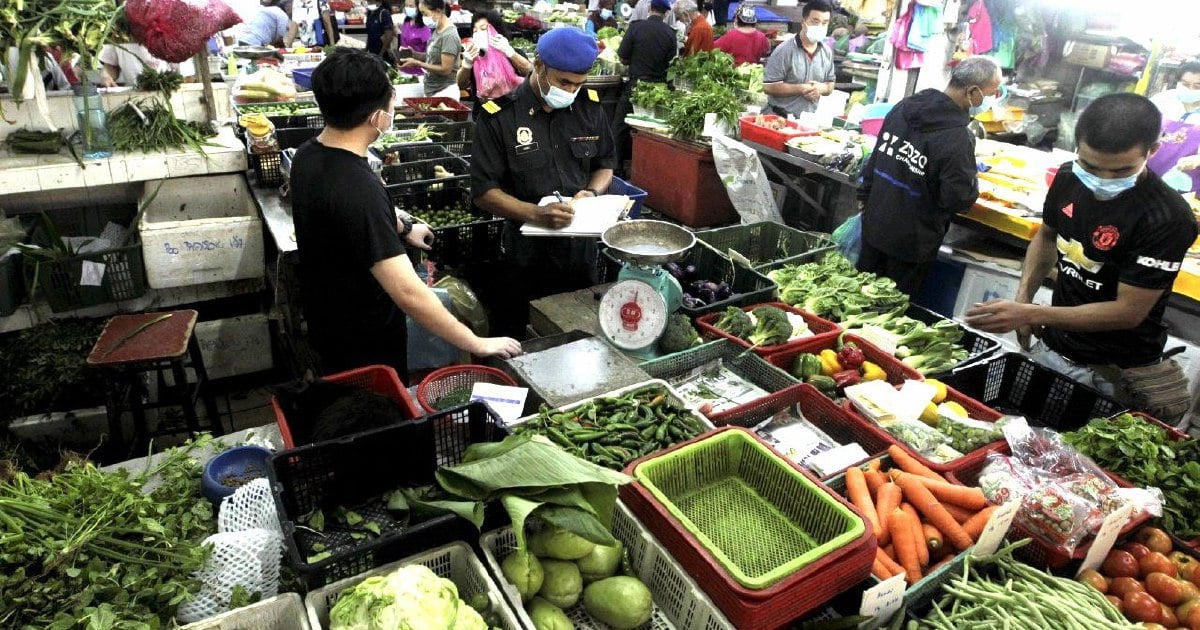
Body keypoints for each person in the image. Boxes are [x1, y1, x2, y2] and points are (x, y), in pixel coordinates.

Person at [965, 93, 1198, 425]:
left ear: (1153, 151)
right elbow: (1046, 235)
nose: (1102, 179)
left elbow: (1127, 311)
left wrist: (1030, 311)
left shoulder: (1166, 218)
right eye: (1090, 165)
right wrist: (1024, 298)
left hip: (1111, 372)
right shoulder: (1069, 176)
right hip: (1054, 346)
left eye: (1121, 170)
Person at [291, 48, 521, 375]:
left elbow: (349, 216)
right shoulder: (357, 187)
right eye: (391, 100)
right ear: (377, 117)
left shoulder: (308, 156)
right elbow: (408, 292)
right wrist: (476, 342)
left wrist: (402, 223)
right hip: (363, 340)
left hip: (326, 317)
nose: (394, 107)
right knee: (377, 410)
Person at [471, 27, 617, 339]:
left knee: (580, 331)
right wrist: (537, 214)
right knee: (523, 334)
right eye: (564, 82)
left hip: (580, 252)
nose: (571, 90)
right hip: (525, 255)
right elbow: (484, 192)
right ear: (538, 64)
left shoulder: (589, 107)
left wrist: (591, 192)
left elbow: (606, 164)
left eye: (579, 83)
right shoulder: (499, 116)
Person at [856, 56, 1001, 296]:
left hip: (874, 226)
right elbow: (957, 200)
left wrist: (864, 196)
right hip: (911, 244)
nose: (992, 101)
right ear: (973, 92)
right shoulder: (958, 137)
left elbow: (875, 160)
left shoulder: (904, 107)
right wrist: (971, 177)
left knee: (857, 298)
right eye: (992, 94)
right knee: (887, 314)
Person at [613, 0, 677, 170]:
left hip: (636, 86)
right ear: (666, 13)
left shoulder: (635, 27)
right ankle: (650, 170)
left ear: (649, 8)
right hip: (659, 90)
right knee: (653, 132)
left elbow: (622, 57)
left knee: (619, 127)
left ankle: (616, 169)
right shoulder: (671, 34)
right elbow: (672, 65)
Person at [763, 0, 834, 117]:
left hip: (808, 120)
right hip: (779, 117)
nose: (820, 26)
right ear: (803, 22)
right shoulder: (784, 50)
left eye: (824, 23)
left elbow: (830, 83)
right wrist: (803, 88)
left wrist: (821, 88)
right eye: (815, 22)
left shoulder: (827, 52)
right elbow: (769, 86)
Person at [457, 12, 532, 113]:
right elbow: (460, 84)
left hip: (513, 114)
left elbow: (530, 72)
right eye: (475, 31)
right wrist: (467, 64)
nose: (478, 34)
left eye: (483, 29)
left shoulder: (513, 52)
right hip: (484, 114)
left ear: (497, 30)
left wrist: (510, 52)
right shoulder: (475, 57)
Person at [1148, 61, 1200, 194]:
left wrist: (1197, 160)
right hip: (1149, 170)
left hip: (1185, 182)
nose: (1190, 89)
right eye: (1185, 84)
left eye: (1197, 86)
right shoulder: (1163, 100)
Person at [399, 0, 460, 97]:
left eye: (424, 13)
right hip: (431, 90)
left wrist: (418, 63)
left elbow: (446, 69)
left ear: (438, 11)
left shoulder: (449, 35)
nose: (423, 17)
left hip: (444, 91)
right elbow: (431, 57)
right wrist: (415, 54)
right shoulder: (437, 30)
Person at [98, 43, 196, 87]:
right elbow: (111, 65)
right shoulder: (119, 34)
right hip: (131, 98)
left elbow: (188, 78)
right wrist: (106, 77)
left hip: (165, 95)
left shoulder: (170, 38)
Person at [396, 0, 432, 75]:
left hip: (419, 71)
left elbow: (430, 55)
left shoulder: (425, 26)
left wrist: (415, 56)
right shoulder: (406, 21)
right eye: (406, 5)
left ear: (419, 7)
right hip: (403, 68)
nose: (408, 8)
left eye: (411, 6)